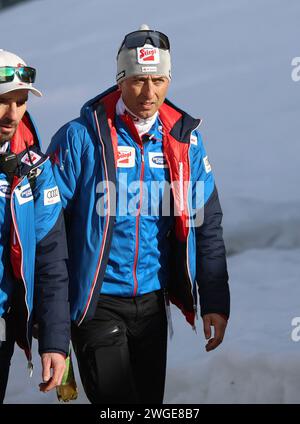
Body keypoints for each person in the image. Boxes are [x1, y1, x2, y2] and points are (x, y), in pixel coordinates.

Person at [47, 25, 230, 404]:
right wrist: (52, 320)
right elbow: (48, 230)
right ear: (120, 80)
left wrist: (214, 299)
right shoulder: (80, 138)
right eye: (138, 81)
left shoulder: (184, 139)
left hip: (152, 304)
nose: (149, 93)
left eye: (159, 80)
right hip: (97, 303)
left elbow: (207, 221)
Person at [0, 49, 70, 403]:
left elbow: (50, 258)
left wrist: (55, 341)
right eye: (3, 101)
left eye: (21, 101)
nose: (12, 113)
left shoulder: (35, 168)